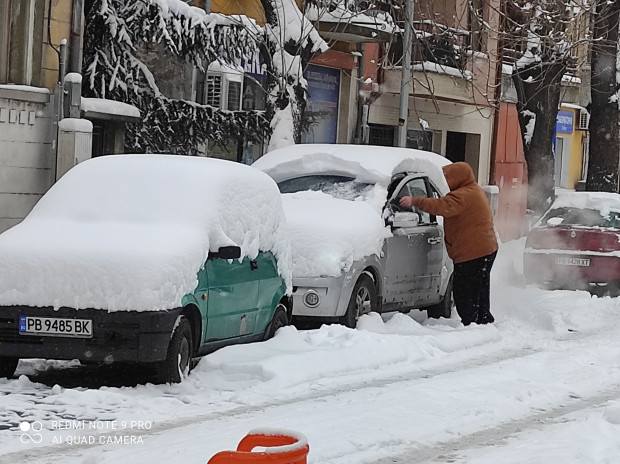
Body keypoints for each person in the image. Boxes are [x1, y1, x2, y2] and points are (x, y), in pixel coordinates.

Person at [399, 162, 498, 326]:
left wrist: (415, 201)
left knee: (464, 291)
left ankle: (471, 322)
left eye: (449, 178)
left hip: (473, 252)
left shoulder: (463, 195)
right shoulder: (473, 190)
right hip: (484, 249)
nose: (446, 182)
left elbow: (441, 206)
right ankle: (482, 319)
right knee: (478, 288)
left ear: (458, 178)